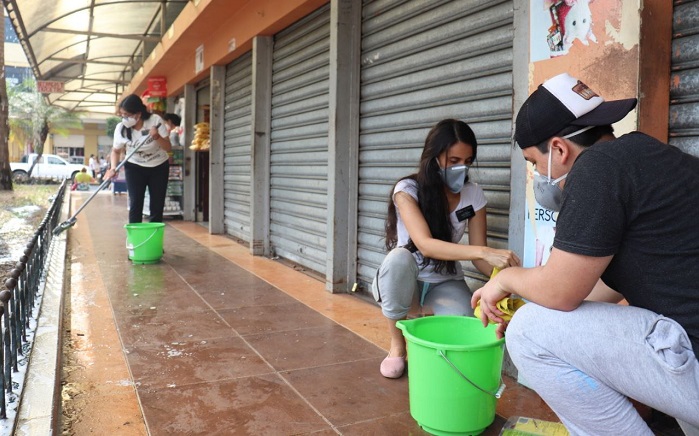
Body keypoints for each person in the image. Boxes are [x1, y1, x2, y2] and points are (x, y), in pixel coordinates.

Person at [472, 73, 699, 435]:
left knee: (528, 334)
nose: (535, 176)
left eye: (533, 163)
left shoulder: (596, 168)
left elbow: (561, 292)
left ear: (559, 149)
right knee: (539, 321)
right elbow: (602, 293)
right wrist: (545, 314)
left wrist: (508, 281)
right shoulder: (642, 153)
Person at [373, 119, 521, 379]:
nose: (460, 168)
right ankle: (398, 346)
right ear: (433, 157)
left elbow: (480, 260)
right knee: (398, 258)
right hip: (406, 278)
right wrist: (484, 251)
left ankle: (416, 314)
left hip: (445, 282)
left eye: (467, 160)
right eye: (453, 160)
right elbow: (425, 245)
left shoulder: (473, 194)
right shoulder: (407, 190)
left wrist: (507, 281)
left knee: (463, 323)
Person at [105, 94, 171, 223]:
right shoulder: (121, 128)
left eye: (127, 115)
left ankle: (153, 238)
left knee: (157, 204)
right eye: (122, 115)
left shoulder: (155, 121)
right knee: (135, 203)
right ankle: (135, 239)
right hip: (134, 167)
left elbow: (168, 148)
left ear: (138, 114)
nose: (124, 118)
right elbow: (116, 151)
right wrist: (113, 168)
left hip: (158, 166)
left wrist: (157, 137)